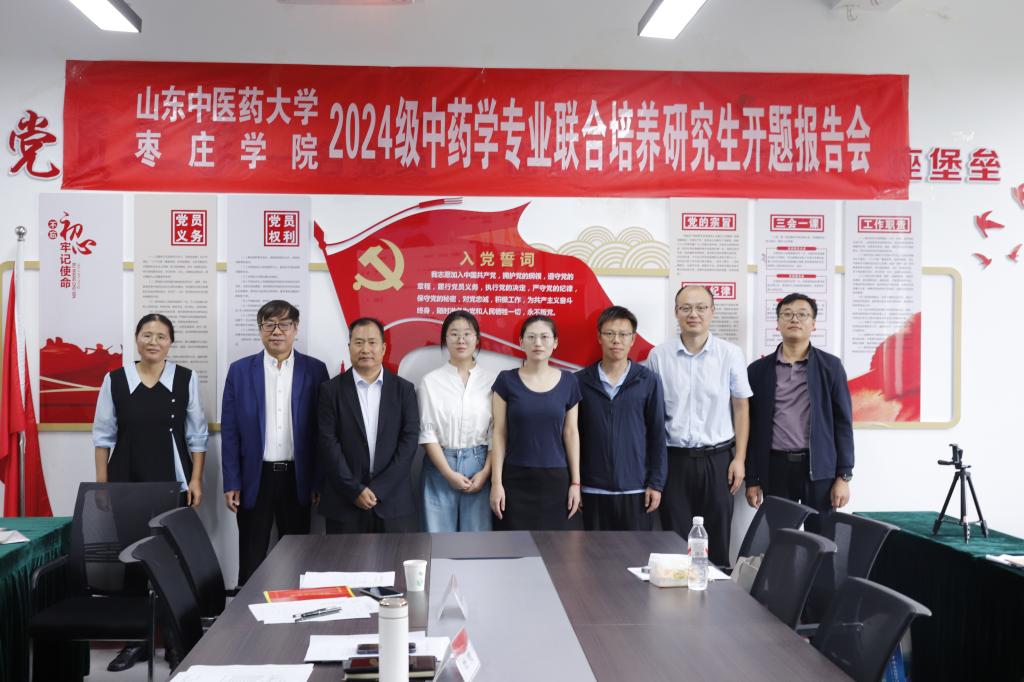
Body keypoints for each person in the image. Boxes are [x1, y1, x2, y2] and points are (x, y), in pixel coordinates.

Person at [92, 313, 208, 672]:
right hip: (126, 482)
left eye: (160, 336)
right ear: (136, 339)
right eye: (147, 335)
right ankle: (136, 642)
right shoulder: (115, 379)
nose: (153, 341)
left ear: (170, 342)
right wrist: (102, 485)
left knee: (172, 563)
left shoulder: (185, 378)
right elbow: (102, 436)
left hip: (172, 481)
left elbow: (197, 435)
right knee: (130, 563)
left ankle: (174, 642)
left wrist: (197, 480)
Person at [221, 300, 329, 585]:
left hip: (297, 477)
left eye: (284, 324)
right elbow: (230, 431)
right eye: (269, 325)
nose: (276, 331)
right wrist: (231, 481)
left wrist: (317, 481)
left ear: (296, 329)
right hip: (255, 477)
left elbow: (322, 431)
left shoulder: (315, 370)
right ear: (260, 330)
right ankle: (246, 609)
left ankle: (296, 607)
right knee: (251, 554)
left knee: (298, 556)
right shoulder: (240, 371)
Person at [647, 286, 751, 567]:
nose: (693, 314)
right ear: (676, 313)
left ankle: (718, 593)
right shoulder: (659, 356)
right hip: (674, 460)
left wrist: (739, 459)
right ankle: (678, 593)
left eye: (701, 307)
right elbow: (653, 413)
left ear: (712, 312)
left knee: (717, 538)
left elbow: (741, 408)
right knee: (674, 539)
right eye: (686, 308)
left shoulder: (730, 354)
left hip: (718, 461)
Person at [745, 293, 854, 530]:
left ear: (813, 324)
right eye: (787, 314)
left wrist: (843, 476)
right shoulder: (757, 371)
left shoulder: (831, 367)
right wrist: (752, 479)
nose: (795, 319)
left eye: (802, 314)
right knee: (781, 539)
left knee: (822, 539)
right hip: (775, 468)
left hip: (819, 469)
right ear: (778, 323)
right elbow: (751, 429)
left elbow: (843, 424)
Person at [317, 317, 419, 533]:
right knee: (342, 557)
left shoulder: (404, 390)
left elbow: (409, 442)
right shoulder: (330, 390)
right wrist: (354, 490)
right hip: (344, 502)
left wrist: (379, 489)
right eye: (359, 342)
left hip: (392, 501)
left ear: (383, 348)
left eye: (372, 342)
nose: (365, 349)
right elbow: (328, 444)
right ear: (349, 347)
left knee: (394, 556)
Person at [576, 306, 667, 531]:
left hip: (636, 490)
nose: (616, 340)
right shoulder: (579, 381)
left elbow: (657, 434)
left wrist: (656, 483)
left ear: (633, 339)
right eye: (609, 333)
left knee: (635, 552)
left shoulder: (648, 381)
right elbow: (572, 436)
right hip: (591, 490)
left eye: (623, 334)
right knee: (592, 552)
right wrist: (575, 483)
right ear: (599, 337)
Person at [490, 315, 582, 530]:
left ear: (555, 342)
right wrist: (496, 483)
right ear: (521, 342)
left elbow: (571, 433)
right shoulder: (506, 380)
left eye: (544, 337)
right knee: (513, 546)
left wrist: (575, 483)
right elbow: (499, 433)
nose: (538, 343)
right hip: (514, 479)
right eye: (531, 337)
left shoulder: (569, 381)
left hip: (556, 480)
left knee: (558, 547)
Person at [417, 310, 496, 532]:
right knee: (438, 540)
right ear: (445, 339)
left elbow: (495, 433)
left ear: (477, 339)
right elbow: (427, 433)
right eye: (454, 334)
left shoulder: (492, 381)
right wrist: (448, 474)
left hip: (479, 466)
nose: (461, 340)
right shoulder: (430, 381)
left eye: (467, 334)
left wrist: (485, 473)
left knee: (477, 541)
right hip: (440, 466)